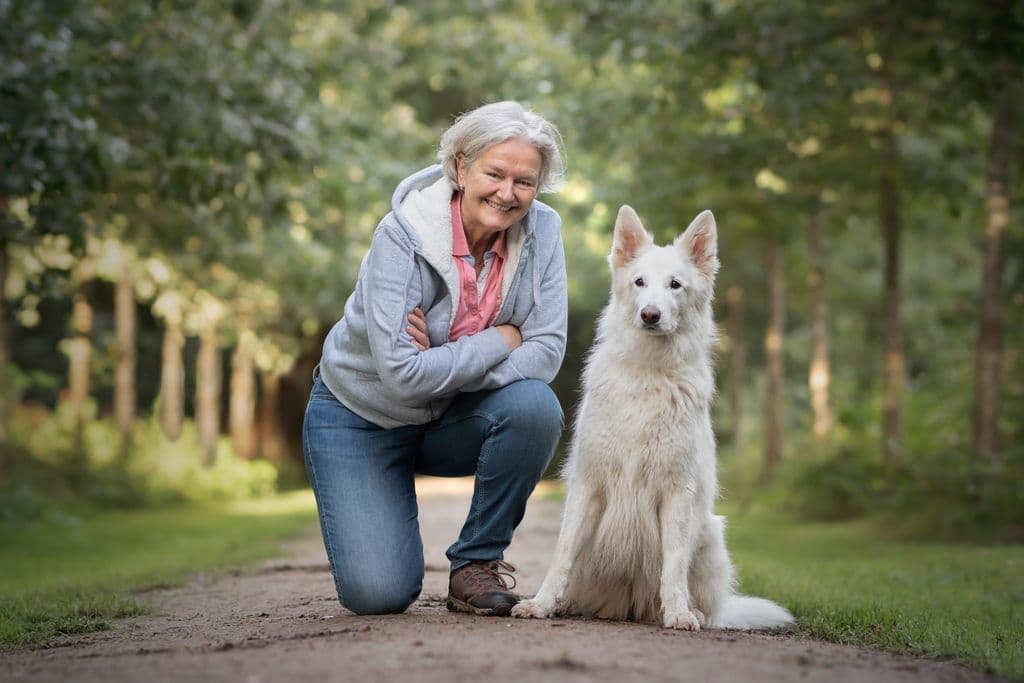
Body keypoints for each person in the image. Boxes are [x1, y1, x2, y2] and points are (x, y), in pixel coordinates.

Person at [303, 101, 568, 617]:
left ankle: (476, 564)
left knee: (535, 406)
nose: (507, 193)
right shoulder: (401, 236)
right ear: (460, 165)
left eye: (525, 181)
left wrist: (442, 362)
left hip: (451, 418)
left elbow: (547, 350)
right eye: (494, 173)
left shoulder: (544, 232)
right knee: (378, 595)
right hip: (360, 419)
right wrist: (501, 338)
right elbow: (402, 377)